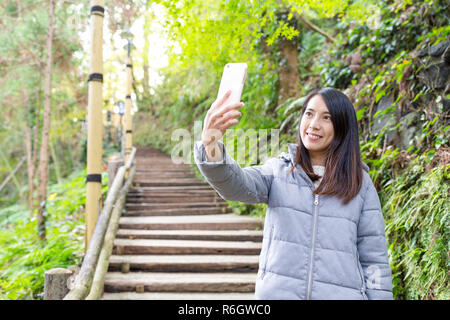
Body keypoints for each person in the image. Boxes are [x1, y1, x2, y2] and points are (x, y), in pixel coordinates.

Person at [194, 87, 394, 300]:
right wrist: (211, 144)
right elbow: (235, 185)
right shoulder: (278, 172)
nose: (314, 124)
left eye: (326, 117)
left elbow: (374, 260)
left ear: (342, 127)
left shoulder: (360, 184)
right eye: (309, 113)